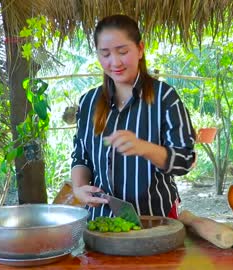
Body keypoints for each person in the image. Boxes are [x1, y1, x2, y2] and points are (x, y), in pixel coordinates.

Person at [71, 14, 196, 221]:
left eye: (122, 51)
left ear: (140, 49)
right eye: (105, 54)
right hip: (102, 222)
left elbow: (184, 160)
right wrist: (79, 188)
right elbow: (81, 156)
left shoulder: (165, 97)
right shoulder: (88, 102)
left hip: (156, 220)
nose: (115, 62)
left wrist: (144, 148)